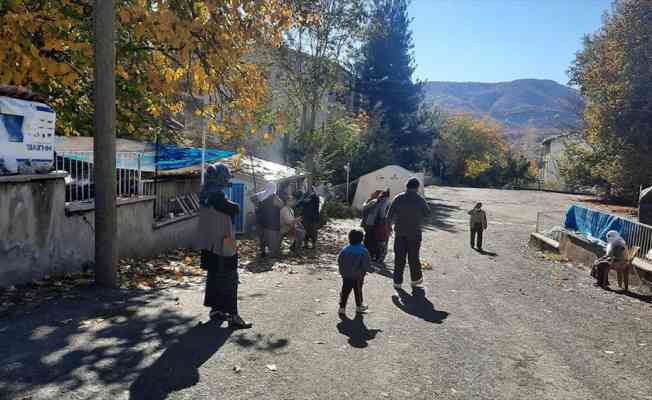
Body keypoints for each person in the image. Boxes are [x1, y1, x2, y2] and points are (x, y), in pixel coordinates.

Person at [198, 163, 251, 329]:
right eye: (226, 178)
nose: (227, 181)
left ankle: (216, 310)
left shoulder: (204, 194)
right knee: (230, 278)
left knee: (214, 276)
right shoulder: (217, 196)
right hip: (223, 243)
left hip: (208, 243)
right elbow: (235, 209)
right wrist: (232, 203)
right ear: (220, 178)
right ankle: (233, 315)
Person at [387, 178, 430, 289]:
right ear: (417, 187)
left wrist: (389, 227)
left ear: (406, 186)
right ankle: (415, 280)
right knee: (414, 257)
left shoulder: (398, 198)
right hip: (414, 233)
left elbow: (389, 215)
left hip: (400, 233)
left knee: (399, 258)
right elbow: (427, 214)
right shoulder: (420, 199)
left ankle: (397, 282)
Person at [338, 229, 374, 316]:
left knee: (345, 291)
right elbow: (367, 265)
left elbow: (339, 260)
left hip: (346, 275)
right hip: (357, 275)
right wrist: (373, 270)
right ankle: (359, 306)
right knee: (358, 291)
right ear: (362, 239)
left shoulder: (345, 249)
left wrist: (342, 271)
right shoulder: (363, 251)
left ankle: (342, 308)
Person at [252, 182, 283, 257]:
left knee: (262, 238)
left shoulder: (260, 195)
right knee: (271, 239)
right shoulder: (274, 197)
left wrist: (257, 203)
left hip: (261, 220)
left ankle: (263, 252)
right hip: (271, 222)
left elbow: (252, 198)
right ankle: (271, 254)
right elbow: (281, 205)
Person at [361, 190, 382, 260]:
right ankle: (370, 255)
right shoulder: (374, 201)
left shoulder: (375, 201)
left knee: (370, 239)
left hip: (370, 223)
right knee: (371, 239)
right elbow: (365, 208)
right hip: (370, 223)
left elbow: (364, 208)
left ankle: (370, 254)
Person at [373, 190, 391, 263]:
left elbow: (381, 214)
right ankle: (381, 258)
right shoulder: (387, 202)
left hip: (381, 224)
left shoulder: (381, 201)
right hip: (385, 225)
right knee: (383, 242)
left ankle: (379, 257)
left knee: (379, 241)